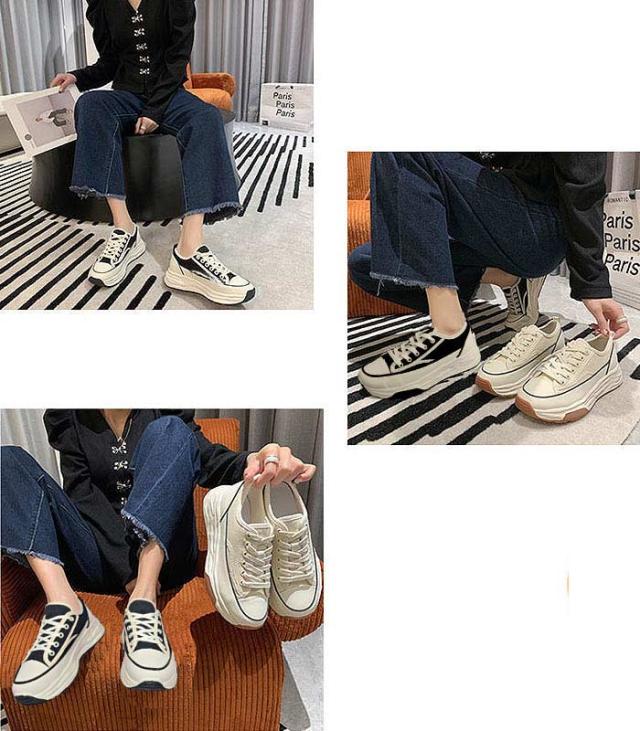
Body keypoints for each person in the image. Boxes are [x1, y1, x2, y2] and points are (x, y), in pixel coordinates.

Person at [1, 410, 316, 703]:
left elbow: (205, 458)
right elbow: (84, 499)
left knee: (170, 430)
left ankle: (144, 600)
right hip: (99, 557)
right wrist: (125, 570)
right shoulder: (69, 416)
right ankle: (66, 607)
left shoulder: (162, 407)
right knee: (6, 461)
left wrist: (256, 461)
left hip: (166, 556)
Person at [349, 152, 630, 402]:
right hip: (489, 215)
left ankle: (450, 333)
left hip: (539, 227)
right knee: (365, 264)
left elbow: (584, 191)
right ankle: (507, 277)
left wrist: (593, 283)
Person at [50, 0, 255, 306]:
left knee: (207, 118)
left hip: (171, 96)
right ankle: (125, 230)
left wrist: (155, 110)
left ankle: (188, 252)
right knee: (90, 104)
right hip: (126, 95)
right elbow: (110, 63)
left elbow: (177, 59)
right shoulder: (103, 3)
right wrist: (78, 76)